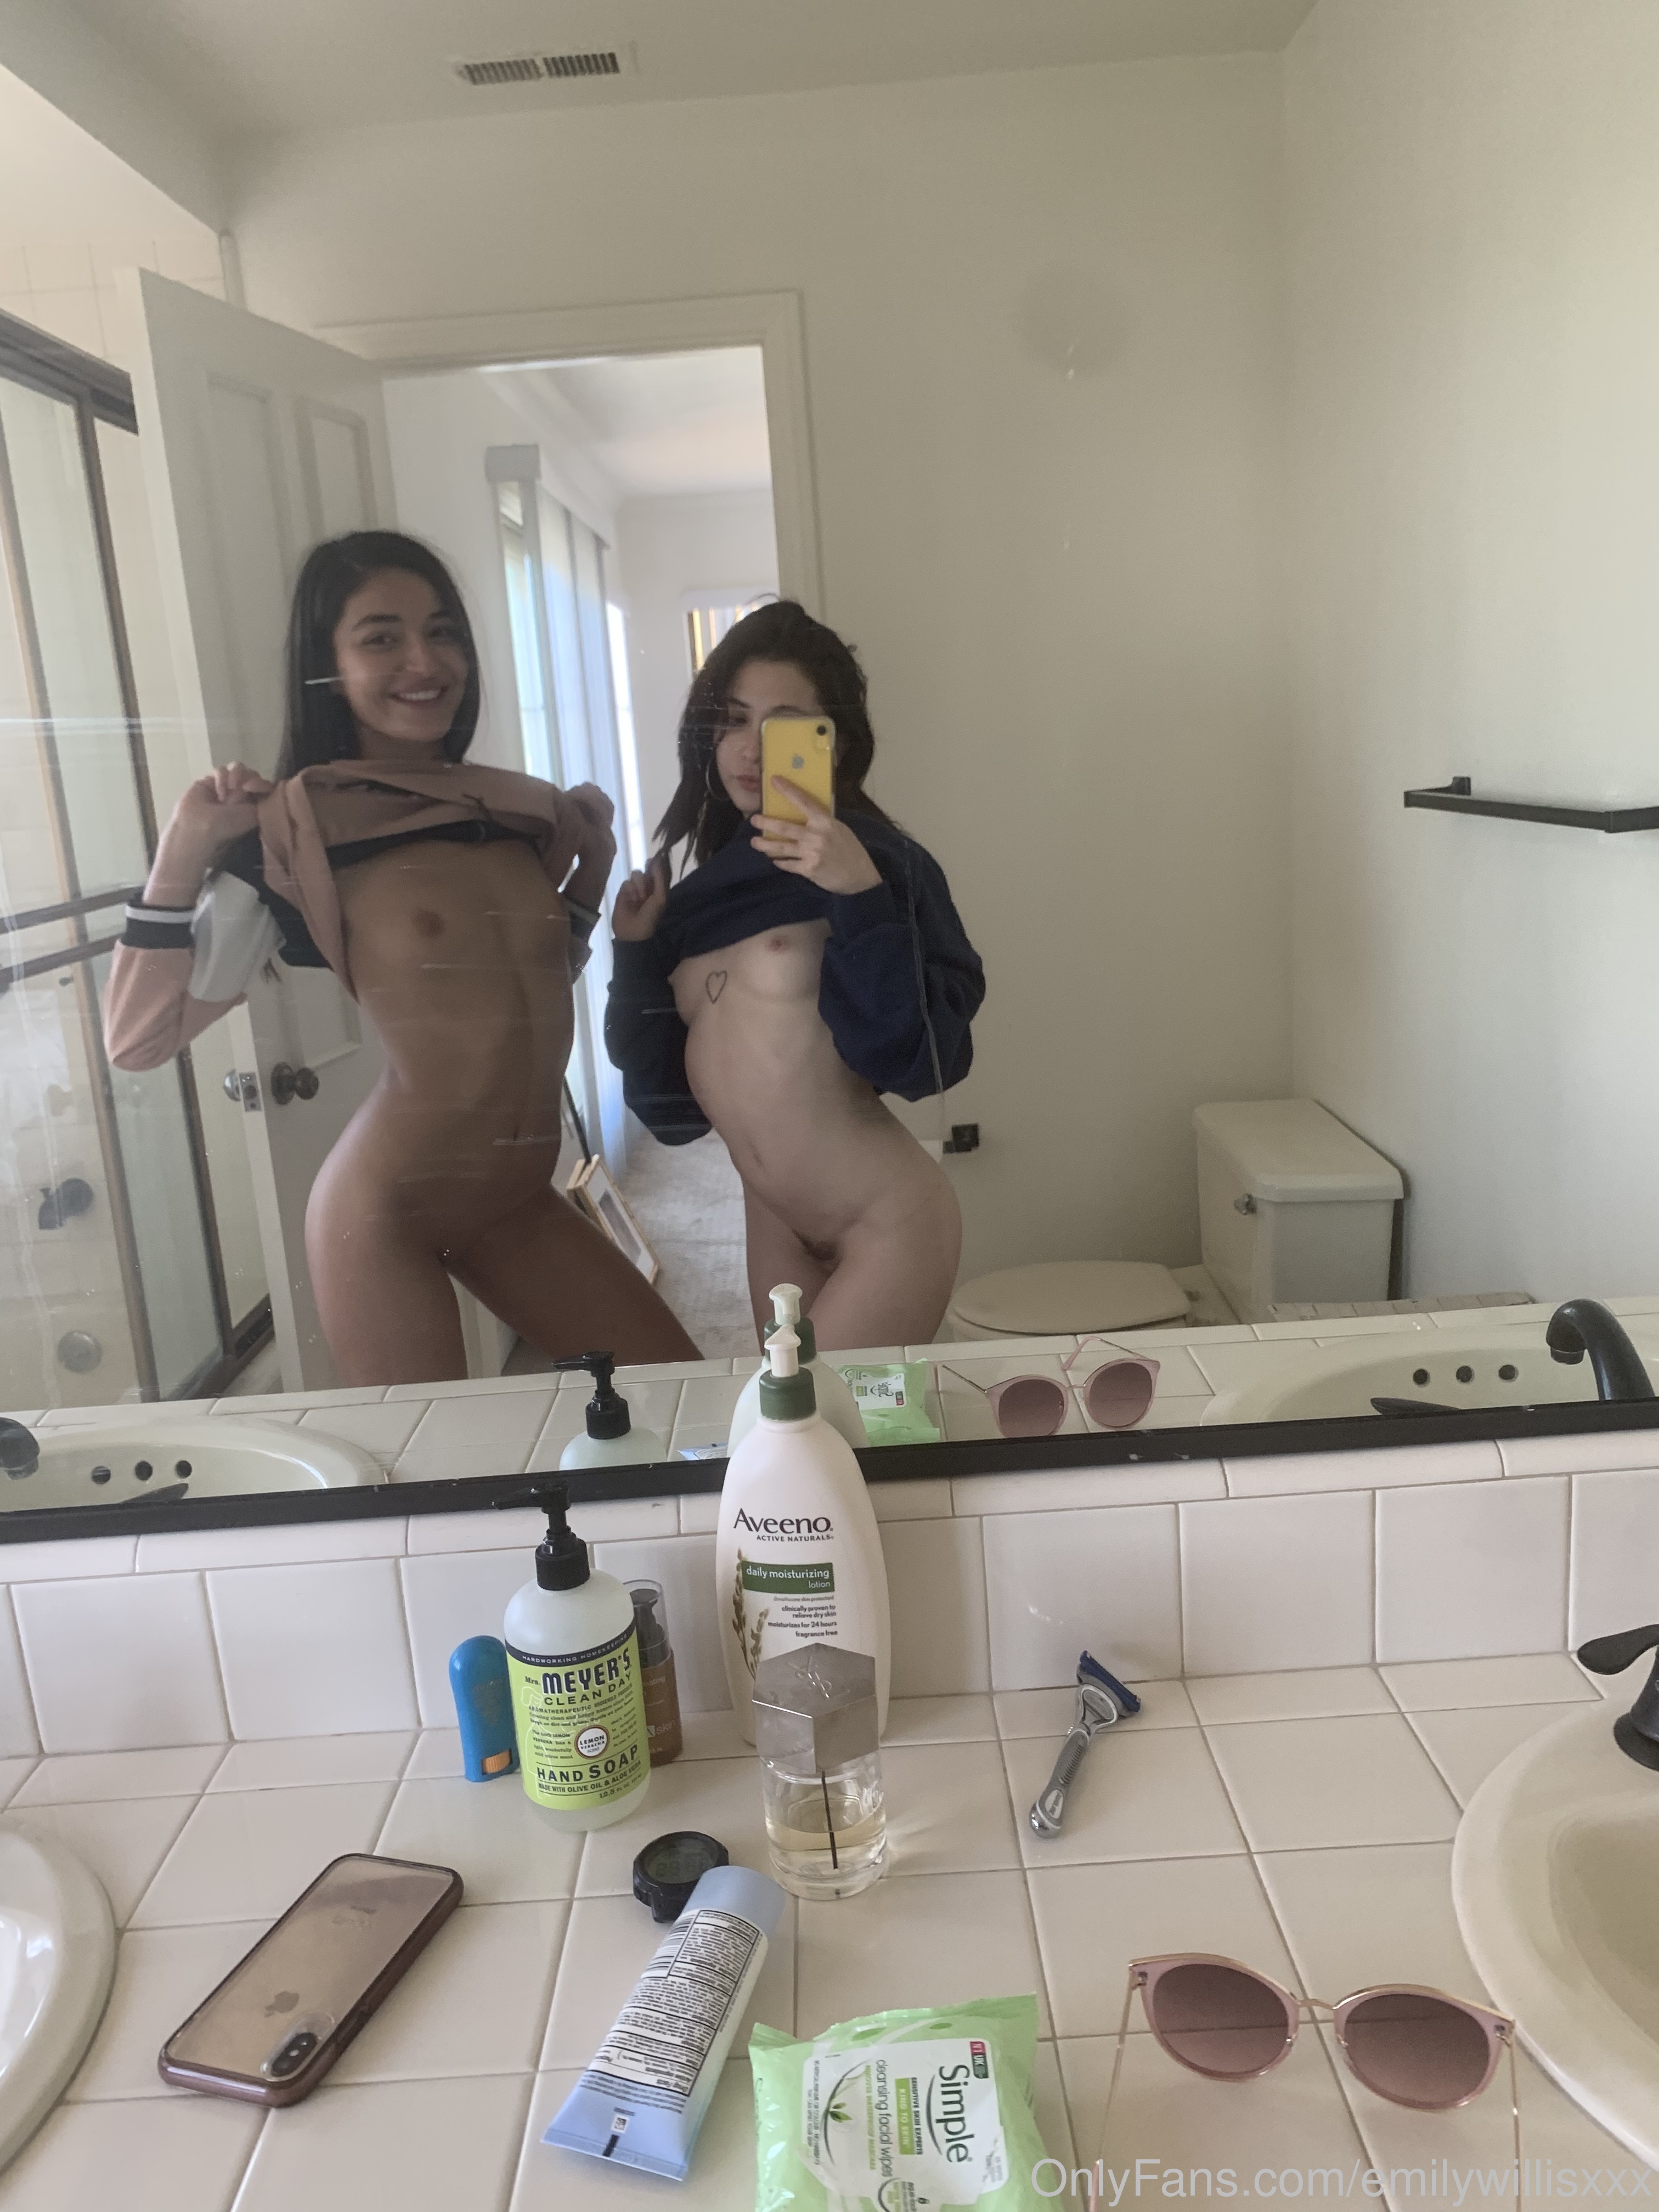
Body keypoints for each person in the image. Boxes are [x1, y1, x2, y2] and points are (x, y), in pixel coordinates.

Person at [104, 529, 698, 1384]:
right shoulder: (298, 831)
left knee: (684, 1403)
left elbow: (525, 985)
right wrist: (181, 852)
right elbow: (138, 1039)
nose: (424, 661)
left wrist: (590, 873)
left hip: (515, 1197)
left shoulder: (511, 808)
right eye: (381, 638)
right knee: (437, 1460)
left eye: (441, 631)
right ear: (327, 665)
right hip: (386, 1215)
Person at [605, 600, 984, 1349]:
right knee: (823, 1424)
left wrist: (859, 896)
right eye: (733, 720)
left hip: (888, 1222)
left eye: (783, 725)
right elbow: (670, 1115)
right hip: (773, 1228)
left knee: (795, 1412)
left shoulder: (885, 865)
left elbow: (923, 1062)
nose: (751, 749)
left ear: (832, 743)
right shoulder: (694, 900)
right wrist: (636, 953)